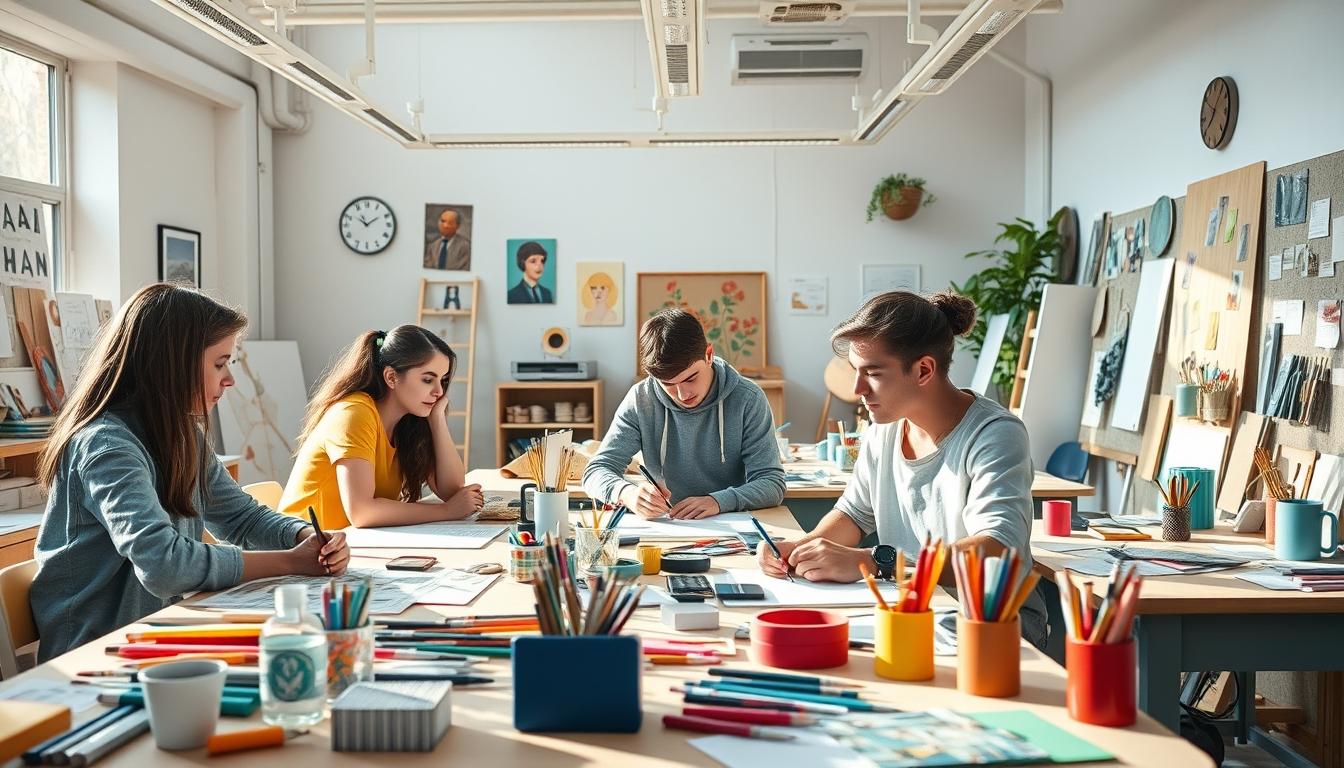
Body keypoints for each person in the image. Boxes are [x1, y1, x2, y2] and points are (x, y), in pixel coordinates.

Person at [30, 284, 350, 661]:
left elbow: (241, 518)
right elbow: (164, 565)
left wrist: (301, 535)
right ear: (171, 364)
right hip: (96, 658)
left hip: (159, 637)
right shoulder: (107, 446)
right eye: (219, 363)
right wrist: (291, 561)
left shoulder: (180, 434)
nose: (230, 379)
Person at [755, 290, 1048, 648]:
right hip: (910, 613)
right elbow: (853, 515)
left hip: (990, 627)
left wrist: (875, 561)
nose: (857, 388)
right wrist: (803, 547)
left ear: (924, 370)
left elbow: (997, 549)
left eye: (872, 374)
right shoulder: (884, 429)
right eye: (855, 372)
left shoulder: (995, 434)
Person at [583, 307, 784, 519]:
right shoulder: (641, 399)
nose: (682, 394)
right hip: (665, 525)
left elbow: (772, 483)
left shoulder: (748, 398)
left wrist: (719, 501)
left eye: (690, 378)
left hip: (732, 522)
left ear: (708, 355)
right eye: (668, 384)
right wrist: (626, 493)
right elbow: (595, 471)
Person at [280, 325, 483, 530]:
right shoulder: (354, 413)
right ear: (391, 377)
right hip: (303, 548)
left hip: (349, 545)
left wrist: (437, 419)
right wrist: (447, 511)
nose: (439, 391)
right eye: (428, 380)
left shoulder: (409, 424)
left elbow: (453, 491)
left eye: (444, 380)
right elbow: (362, 512)